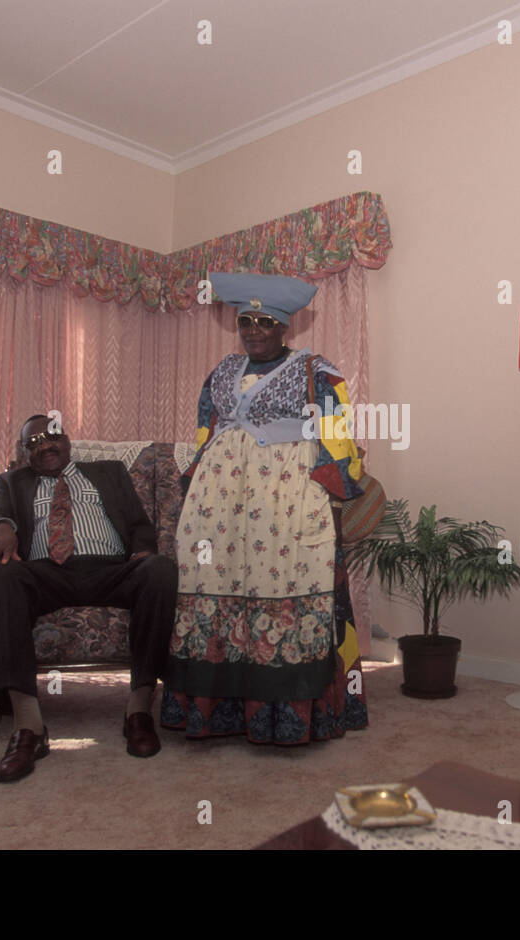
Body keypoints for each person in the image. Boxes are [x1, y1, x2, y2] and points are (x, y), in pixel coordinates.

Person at [160, 272, 369, 745]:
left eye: (264, 322)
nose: (253, 330)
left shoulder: (318, 371)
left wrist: (334, 492)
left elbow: (338, 433)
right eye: (245, 321)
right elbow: (204, 430)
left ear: (284, 327)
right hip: (221, 501)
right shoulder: (221, 372)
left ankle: (288, 714)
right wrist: (193, 487)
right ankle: (218, 709)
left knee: (291, 586)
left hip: (289, 497)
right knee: (212, 583)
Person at [0, 414, 177, 782]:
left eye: (51, 436)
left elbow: (138, 524)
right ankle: (29, 727)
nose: (44, 445)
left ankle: (138, 711)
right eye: (33, 442)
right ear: (25, 454)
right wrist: (0, 526)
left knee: (159, 570)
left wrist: (142, 551)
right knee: (0, 577)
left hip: (109, 570)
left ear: (67, 441)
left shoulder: (109, 471)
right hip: (44, 574)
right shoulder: (13, 482)